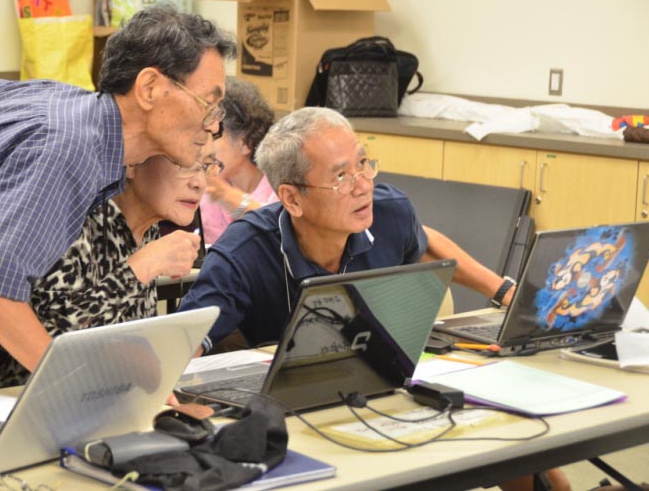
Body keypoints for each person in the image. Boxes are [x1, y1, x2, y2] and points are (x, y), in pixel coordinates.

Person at [178, 107, 570, 491]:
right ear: (292, 199)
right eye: (341, 176)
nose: (363, 183)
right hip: (298, 412)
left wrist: (505, 292)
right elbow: (186, 337)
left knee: (533, 461)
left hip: (384, 386)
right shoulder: (245, 249)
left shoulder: (388, 211)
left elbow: (427, 243)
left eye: (364, 163)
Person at [0, 4, 236, 402]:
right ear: (149, 88)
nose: (213, 124)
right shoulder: (69, 148)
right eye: (208, 103)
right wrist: (73, 383)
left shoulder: (63, 103)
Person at [0, 145, 222, 390]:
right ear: (132, 164)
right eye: (186, 164)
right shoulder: (72, 219)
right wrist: (140, 268)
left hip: (108, 398)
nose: (200, 183)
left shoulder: (149, 229)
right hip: (26, 403)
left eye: (206, 166)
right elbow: (56, 343)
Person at [199, 77, 278, 244]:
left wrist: (224, 195)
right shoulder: (205, 189)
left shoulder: (279, 187)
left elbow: (279, 230)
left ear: (245, 142)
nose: (204, 144)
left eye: (215, 135)